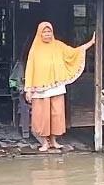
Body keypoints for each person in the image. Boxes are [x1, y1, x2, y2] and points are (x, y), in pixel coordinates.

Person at [24, 22, 96, 151]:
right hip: (40, 89)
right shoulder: (35, 49)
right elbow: (30, 69)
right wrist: (28, 89)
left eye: (49, 32)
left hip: (56, 87)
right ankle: (44, 143)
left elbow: (74, 52)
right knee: (43, 116)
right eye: (45, 32)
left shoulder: (58, 45)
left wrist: (90, 43)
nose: (47, 34)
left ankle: (53, 140)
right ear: (40, 34)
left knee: (56, 114)